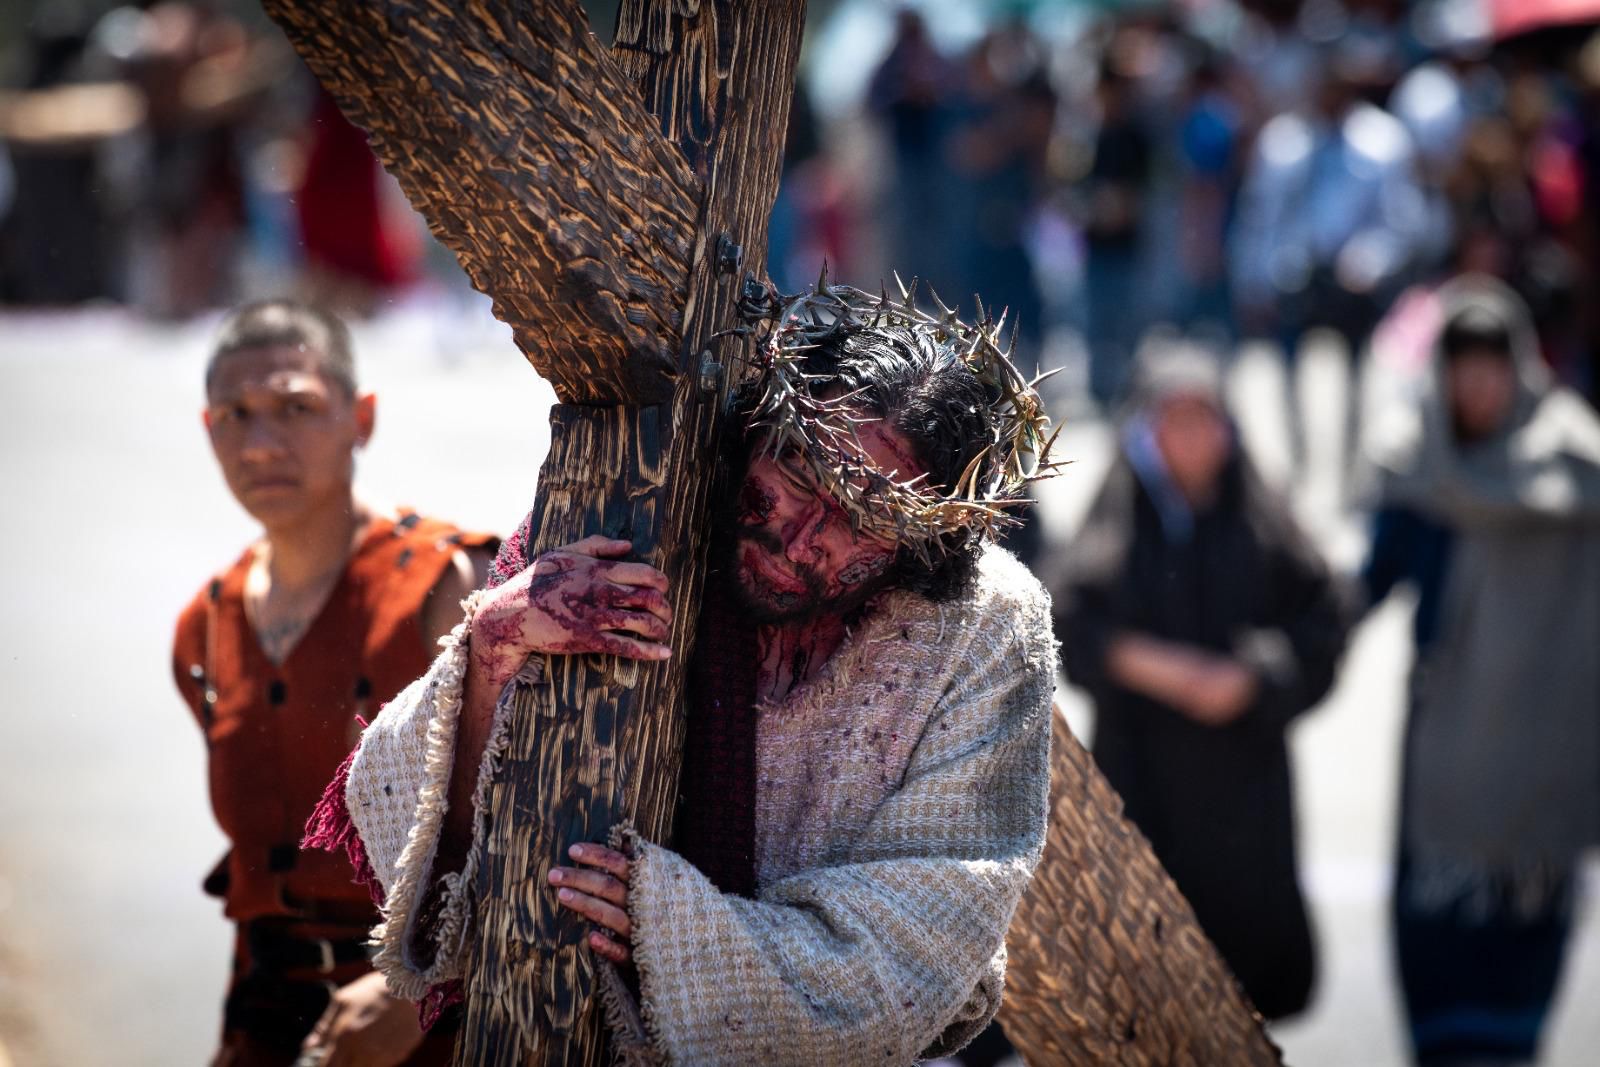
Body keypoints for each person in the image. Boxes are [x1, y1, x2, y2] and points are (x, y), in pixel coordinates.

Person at [307, 287, 1058, 1064]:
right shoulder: (639, 501)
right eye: (801, 469)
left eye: (864, 515)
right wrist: (493, 649)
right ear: (759, 427)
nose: (801, 538)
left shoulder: (987, 628)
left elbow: (920, 943)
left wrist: (672, 926)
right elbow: (418, 838)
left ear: (918, 547)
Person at [171, 299, 496, 1066]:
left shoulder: (445, 585)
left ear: (363, 418)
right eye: (236, 415)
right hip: (267, 1018)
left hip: (433, 1023)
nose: (262, 443)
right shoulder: (206, 625)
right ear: (209, 431)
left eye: (296, 407)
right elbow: (257, 882)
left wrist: (416, 990)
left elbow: (538, 823)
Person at [1050, 347, 1351, 1021]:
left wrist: (1252, 678)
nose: (1189, 438)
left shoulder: (1263, 522)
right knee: (1139, 995)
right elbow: (1068, 617)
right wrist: (1153, 666)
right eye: (1172, 421)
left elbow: (1323, 623)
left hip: (1243, 789)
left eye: (1203, 419)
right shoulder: (1120, 518)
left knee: (1237, 993)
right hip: (1140, 776)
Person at [1361, 277, 1600, 1066]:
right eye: (1462, 364)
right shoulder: (1418, 472)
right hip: (1445, 777)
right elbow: (1359, 592)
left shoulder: (1577, 469)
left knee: (1513, 1019)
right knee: (1440, 1005)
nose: (1478, 382)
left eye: (1493, 363)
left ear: (1522, 366)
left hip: (1542, 776)